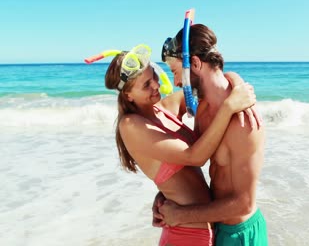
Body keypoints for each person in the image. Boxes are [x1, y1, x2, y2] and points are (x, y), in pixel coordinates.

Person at [99, 44, 259, 245]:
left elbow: (214, 83)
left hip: (206, 230)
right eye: (146, 84)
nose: (156, 86)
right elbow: (195, 157)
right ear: (128, 95)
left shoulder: (165, 108)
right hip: (185, 235)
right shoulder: (131, 125)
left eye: (154, 77)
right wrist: (228, 108)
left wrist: (238, 85)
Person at [156, 24, 268, 245]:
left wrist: (180, 215)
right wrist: (166, 197)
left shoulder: (245, 123)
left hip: (241, 234)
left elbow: (244, 203)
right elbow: (190, 162)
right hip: (216, 226)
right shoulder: (204, 110)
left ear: (195, 64)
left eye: (176, 72)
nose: (177, 82)